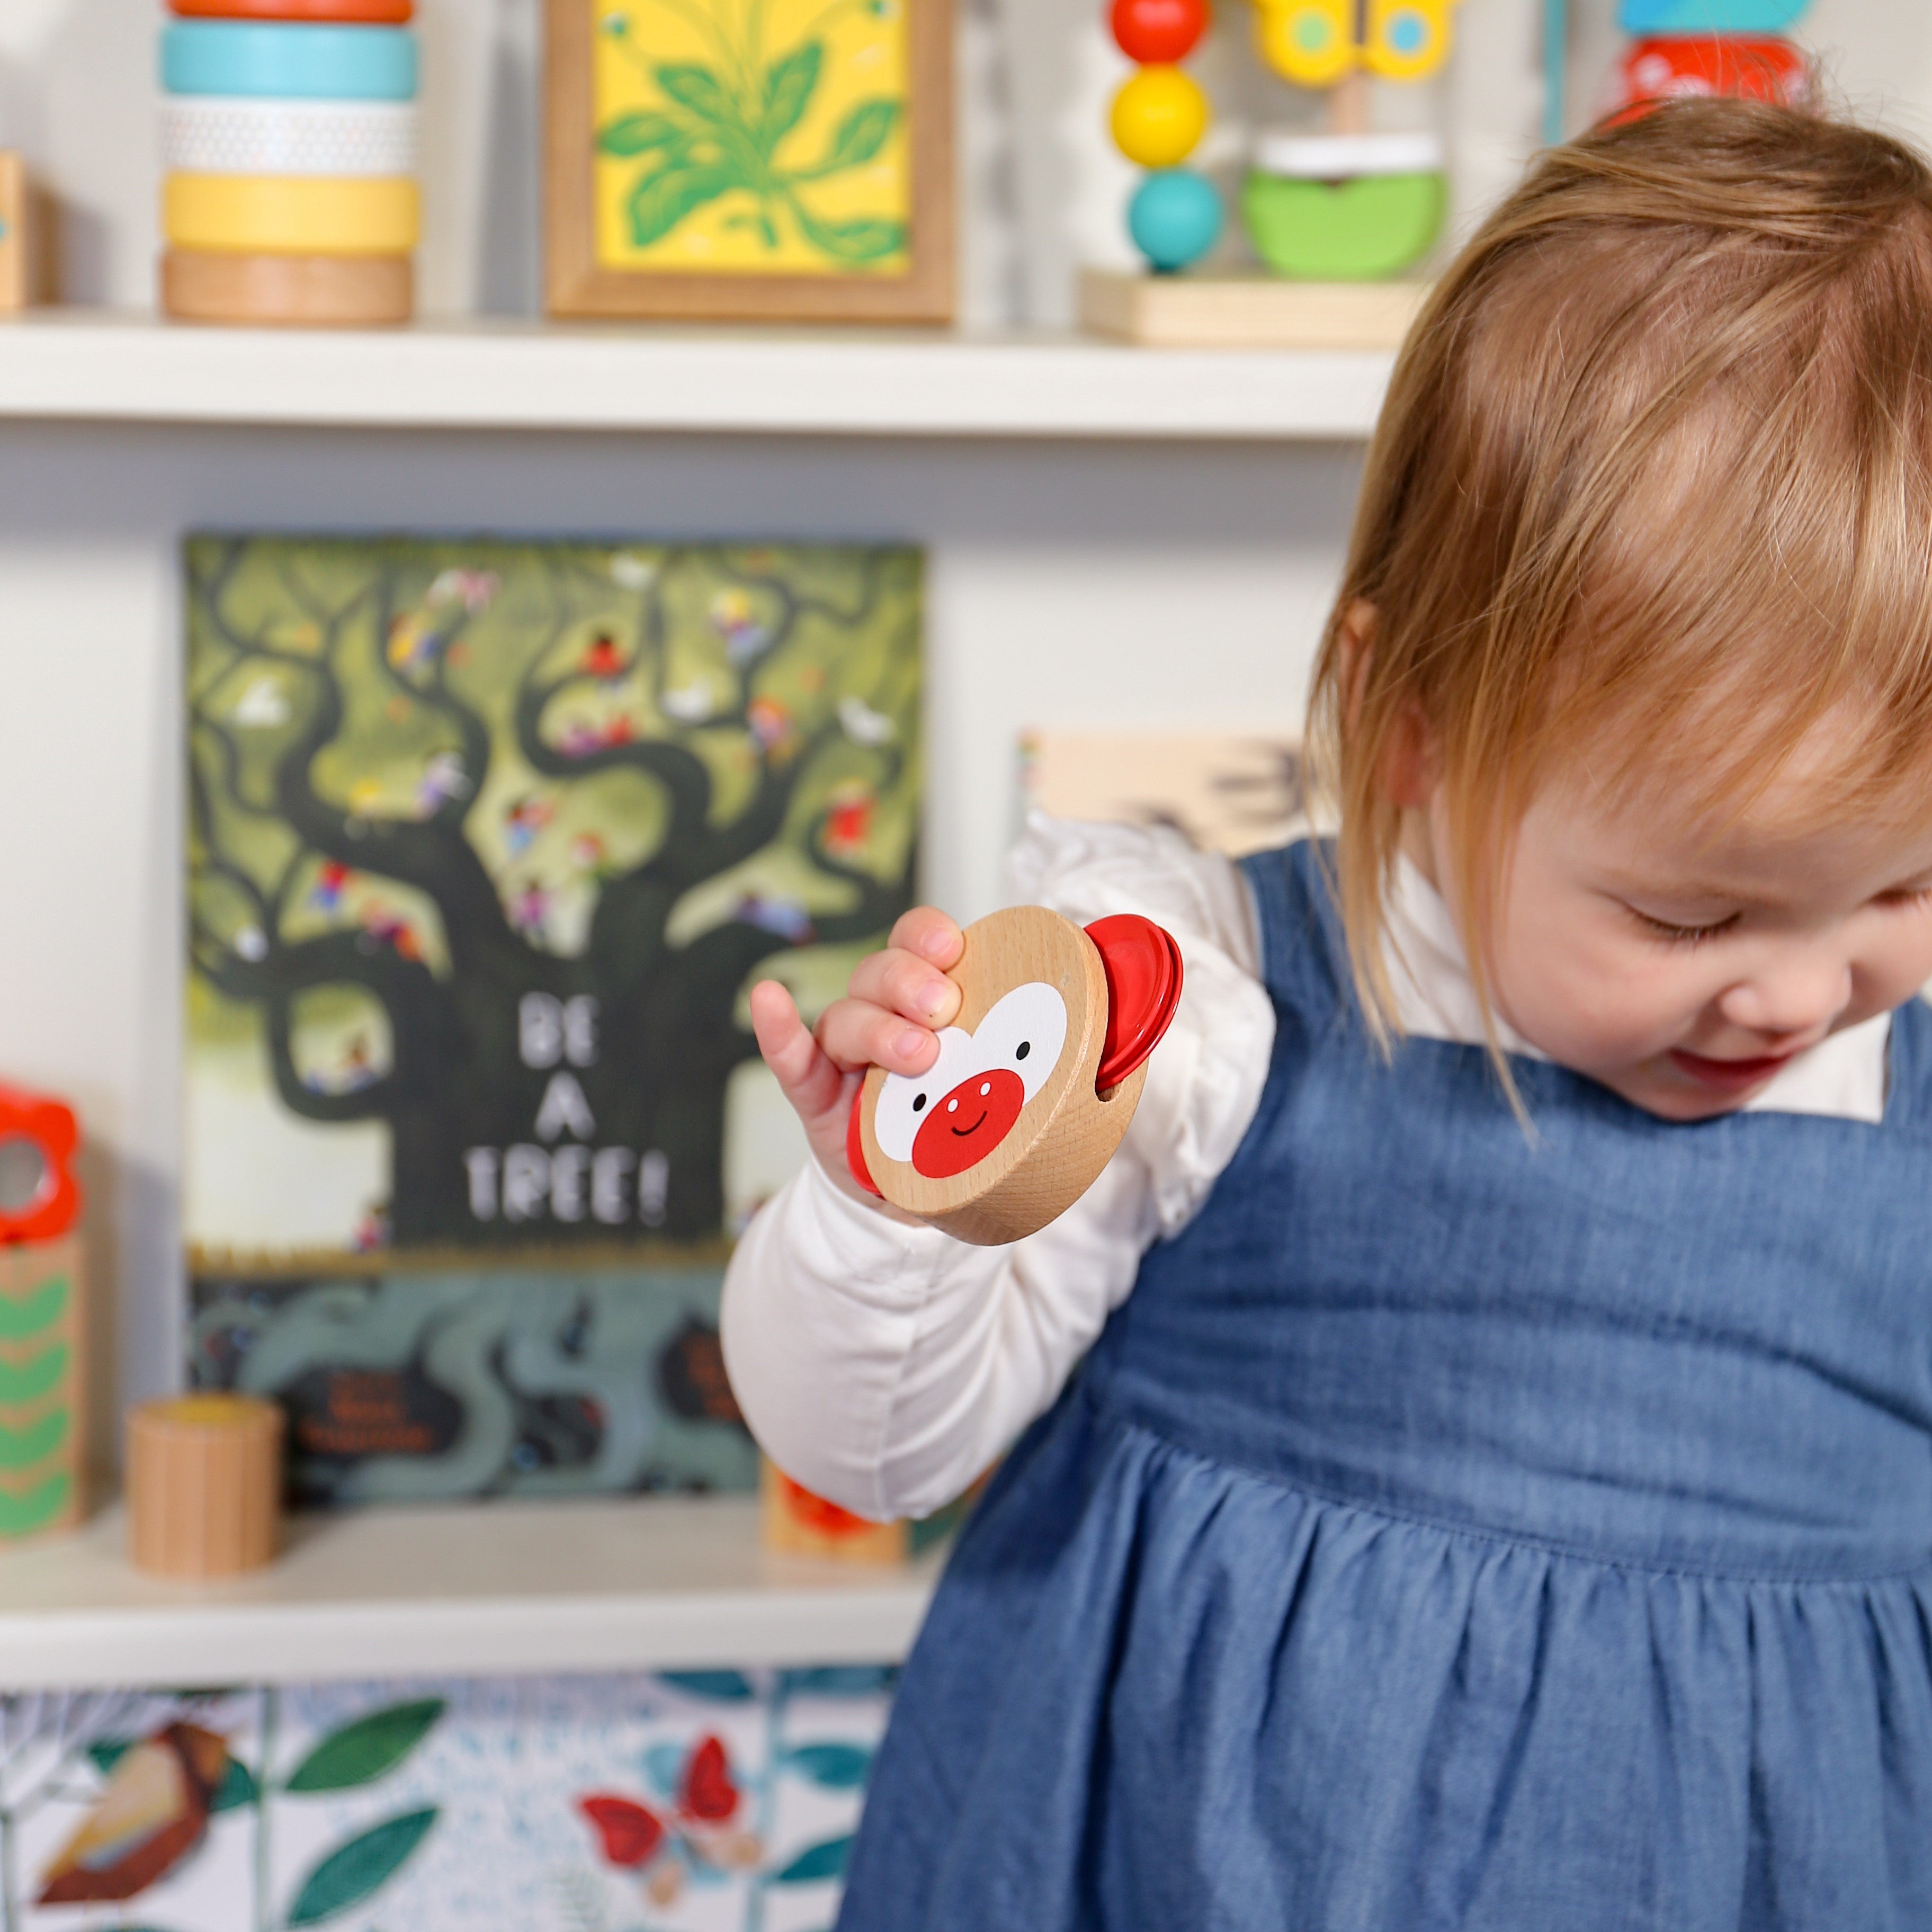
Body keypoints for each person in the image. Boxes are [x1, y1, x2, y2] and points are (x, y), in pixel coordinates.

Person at [723, 99, 1932, 1928]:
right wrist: (891, 1222)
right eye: (1688, 910)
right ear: (1413, 733)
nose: (1797, 985)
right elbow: (875, 1447)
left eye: (1909, 888)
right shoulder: (1196, 1012)